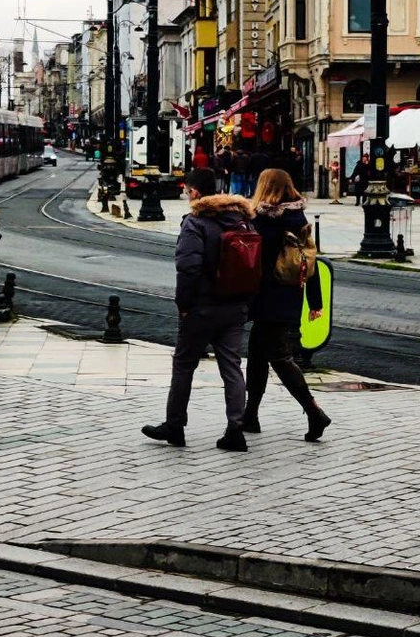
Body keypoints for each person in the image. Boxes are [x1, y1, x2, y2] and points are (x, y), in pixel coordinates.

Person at [142, 166, 255, 452]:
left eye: (185, 191)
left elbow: (188, 268)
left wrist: (184, 305)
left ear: (193, 192)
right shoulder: (242, 220)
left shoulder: (195, 223)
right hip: (235, 306)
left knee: (183, 366)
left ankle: (175, 426)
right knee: (232, 368)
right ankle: (235, 430)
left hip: (202, 308)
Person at [243, 169, 331, 441]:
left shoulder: (264, 220)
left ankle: (315, 412)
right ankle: (250, 414)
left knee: (279, 357)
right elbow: (310, 260)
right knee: (257, 355)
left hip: (268, 295)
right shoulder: (299, 217)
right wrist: (314, 301)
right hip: (290, 294)